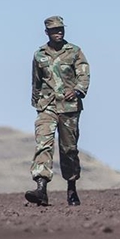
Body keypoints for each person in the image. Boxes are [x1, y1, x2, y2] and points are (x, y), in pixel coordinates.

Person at [25, 16, 90, 206]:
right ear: (47, 33)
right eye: (54, 30)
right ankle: (41, 187)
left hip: (69, 108)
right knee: (43, 143)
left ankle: (71, 187)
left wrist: (78, 90)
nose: (58, 32)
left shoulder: (74, 52)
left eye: (61, 29)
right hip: (47, 106)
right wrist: (37, 102)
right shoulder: (39, 55)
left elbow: (84, 74)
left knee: (68, 149)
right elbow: (36, 81)